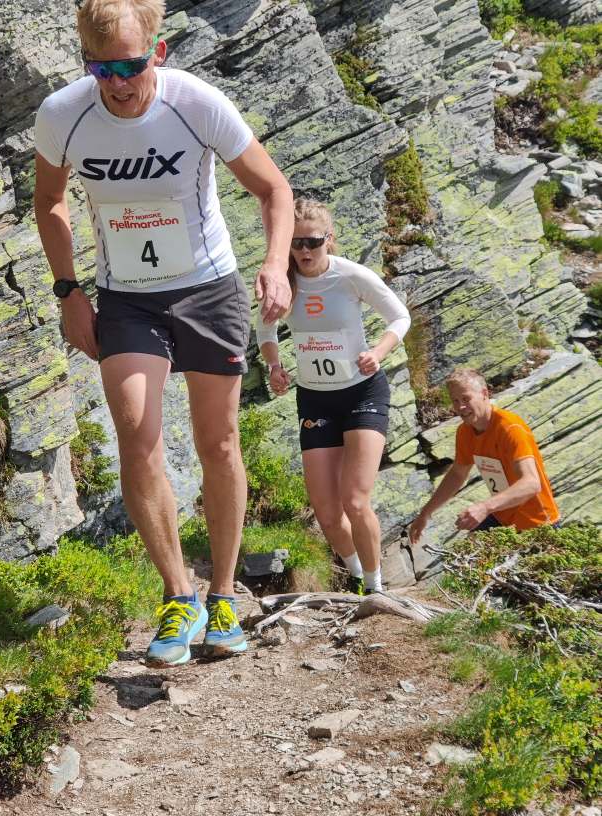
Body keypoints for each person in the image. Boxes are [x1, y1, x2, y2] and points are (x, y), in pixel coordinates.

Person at [33, 0, 293, 664]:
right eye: (101, 68)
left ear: (160, 51)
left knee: (218, 440)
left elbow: (273, 191)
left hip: (208, 290)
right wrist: (69, 291)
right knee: (137, 432)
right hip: (127, 299)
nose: (118, 82)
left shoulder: (196, 103)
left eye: (131, 64)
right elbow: (50, 200)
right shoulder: (65, 114)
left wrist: (273, 265)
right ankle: (181, 595)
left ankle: (227, 594)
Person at [256, 198, 411, 595]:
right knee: (326, 513)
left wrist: (377, 353)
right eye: (295, 243)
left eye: (312, 242)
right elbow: (266, 329)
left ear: (329, 239)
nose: (304, 251)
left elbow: (400, 317)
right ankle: (357, 577)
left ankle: (378, 589)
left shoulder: (351, 275)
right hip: (316, 398)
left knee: (356, 501)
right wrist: (275, 366)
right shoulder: (282, 279)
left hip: (361, 392)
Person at [409, 368, 560, 544]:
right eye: (455, 401)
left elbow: (531, 484)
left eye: (466, 399)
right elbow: (457, 474)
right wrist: (425, 513)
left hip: (538, 523)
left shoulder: (510, 428)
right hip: (503, 517)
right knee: (470, 557)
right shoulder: (465, 432)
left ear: (484, 394)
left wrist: (484, 507)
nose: (460, 407)